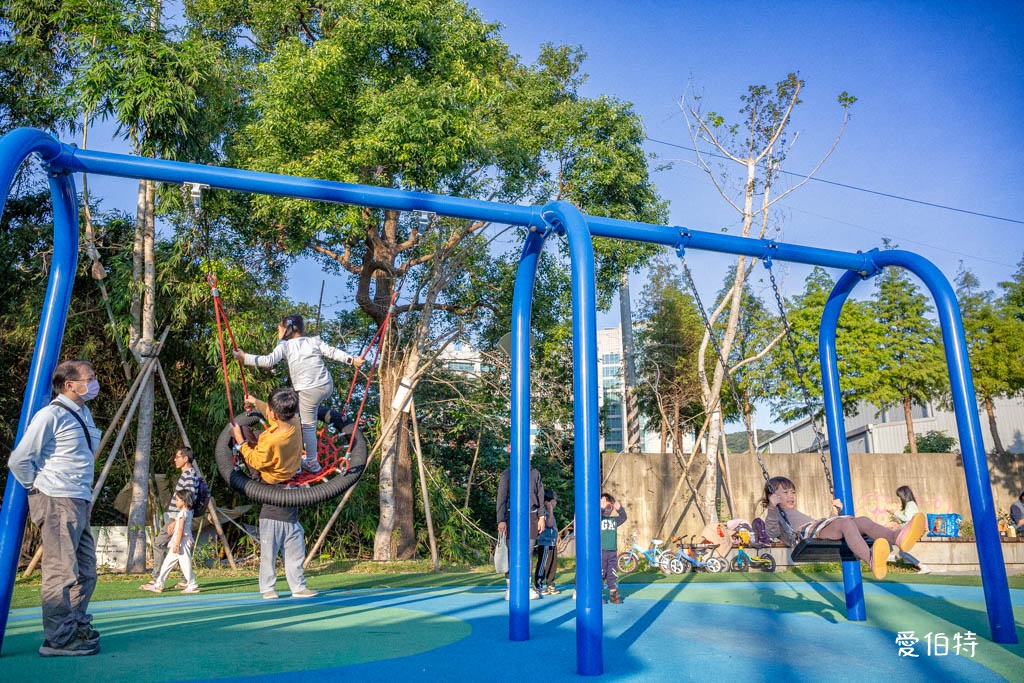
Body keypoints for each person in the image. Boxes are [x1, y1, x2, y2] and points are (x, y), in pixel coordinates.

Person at [9, 359, 103, 657]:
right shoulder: (51, 415)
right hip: (56, 497)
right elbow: (19, 459)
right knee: (61, 573)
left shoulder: (84, 413)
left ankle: (75, 624)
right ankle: (57, 639)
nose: (94, 382)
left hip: (78, 499)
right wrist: (37, 489)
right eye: (90, 377)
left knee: (87, 572)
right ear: (69, 385)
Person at [234, 314, 364, 473]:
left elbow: (268, 361)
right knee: (303, 408)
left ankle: (312, 462)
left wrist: (243, 357)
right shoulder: (313, 341)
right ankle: (307, 421)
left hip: (309, 391)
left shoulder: (286, 346)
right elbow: (333, 352)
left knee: (308, 426)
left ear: (286, 330)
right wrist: (352, 360)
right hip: (326, 385)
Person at [762, 476, 926, 580]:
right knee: (846, 523)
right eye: (785, 493)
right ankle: (871, 560)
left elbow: (822, 527)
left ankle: (897, 537)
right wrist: (772, 506)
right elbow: (771, 532)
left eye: (793, 492)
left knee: (861, 520)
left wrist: (833, 513)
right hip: (805, 535)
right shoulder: (777, 514)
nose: (791, 496)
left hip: (818, 529)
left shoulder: (795, 512)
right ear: (773, 497)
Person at [149, 446, 200, 587]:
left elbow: (187, 502)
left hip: (176, 518)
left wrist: (176, 521)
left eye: (177, 457)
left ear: (185, 458)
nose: (175, 460)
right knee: (180, 550)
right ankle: (184, 580)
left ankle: (157, 578)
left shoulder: (188, 475)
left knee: (159, 543)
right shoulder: (189, 474)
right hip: (176, 517)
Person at [231, 389, 303, 484]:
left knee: (242, 432)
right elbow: (271, 416)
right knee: (257, 434)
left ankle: (256, 477)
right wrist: (255, 402)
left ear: (274, 415)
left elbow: (256, 461)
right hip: (291, 465)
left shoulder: (272, 441)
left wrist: (240, 440)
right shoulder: (294, 419)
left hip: (272, 476)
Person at [496, 465, 545, 600]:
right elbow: (501, 497)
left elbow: (540, 495)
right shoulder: (507, 473)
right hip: (512, 516)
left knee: (528, 552)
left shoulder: (535, 472)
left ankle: (526, 587)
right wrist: (501, 519)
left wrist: (542, 517)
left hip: (531, 516)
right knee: (511, 552)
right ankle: (510, 587)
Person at [140, 490, 200, 594]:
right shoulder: (188, 512)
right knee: (166, 564)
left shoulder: (182, 513)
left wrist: (177, 544)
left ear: (184, 501)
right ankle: (159, 585)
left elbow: (180, 529)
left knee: (185, 564)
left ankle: (192, 585)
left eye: (177, 500)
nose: (176, 502)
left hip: (181, 542)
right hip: (179, 541)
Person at [259, 497, 318, 599]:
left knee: (296, 556)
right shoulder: (268, 480)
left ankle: (298, 588)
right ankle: (267, 589)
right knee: (268, 556)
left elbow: (307, 493)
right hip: (271, 517)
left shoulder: (296, 481)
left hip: (292, 520)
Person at [891, 485, 932, 574]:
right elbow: (907, 521)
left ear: (904, 495)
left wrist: (895, 513)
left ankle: (922, 566)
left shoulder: (910, 504)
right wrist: (898, 521)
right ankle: (922, 566)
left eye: (900, 496)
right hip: (909, 531)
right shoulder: (911, 504)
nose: (900, 499)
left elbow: (907, 519)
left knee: (900, 549)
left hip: (910, 532)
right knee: (902, 552)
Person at [600, 492, 627, 604]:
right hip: (601, 551)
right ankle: (598, 595)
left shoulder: (613, 520)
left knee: (612, 573)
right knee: (600, 573)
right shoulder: (598, 519)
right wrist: (601, 506)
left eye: (609, 505)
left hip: (612, 551)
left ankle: (613, 594)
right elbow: (595, 514)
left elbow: (624, 517)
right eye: (604, 503)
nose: (607, 507)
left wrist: (617, 505)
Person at [534, 488, 559, 594]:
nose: (556, 503)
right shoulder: (544, 513)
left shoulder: (550, 512)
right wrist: (550, 509)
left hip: (552, 542)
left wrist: (558, 538)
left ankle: (550, 583)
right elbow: (549, 523)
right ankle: (538, 584)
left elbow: (554, 527)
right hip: (544, 542)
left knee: (552, 565)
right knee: (543, 564)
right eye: (554, 500)